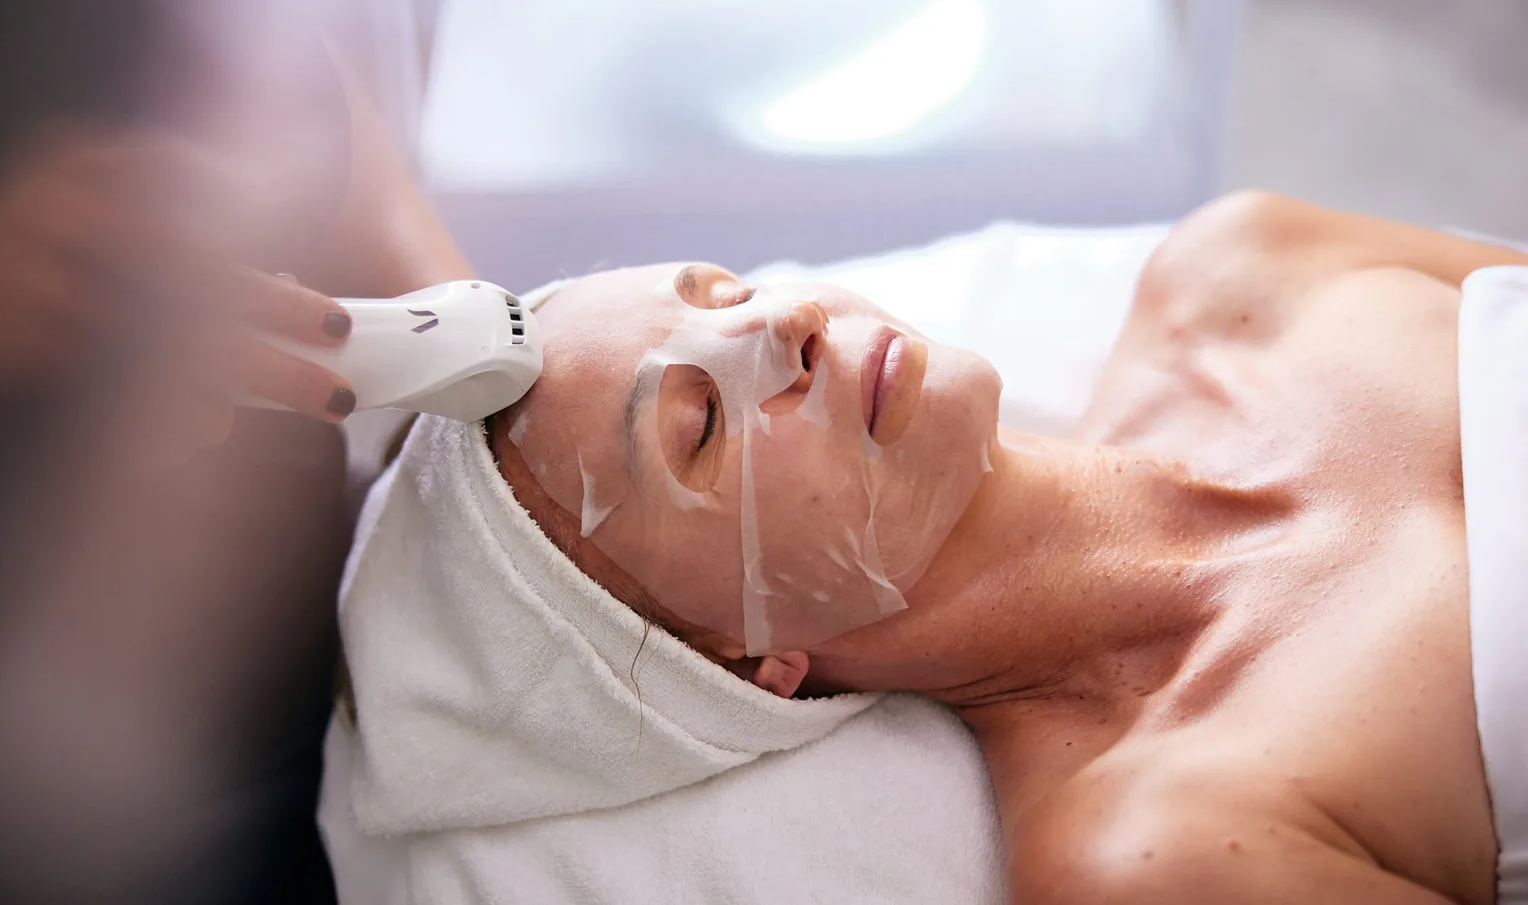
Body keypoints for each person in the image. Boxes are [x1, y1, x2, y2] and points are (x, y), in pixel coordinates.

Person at [470, 192, 1528, 904]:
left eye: (728, 293)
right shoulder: (1156, 847)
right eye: (699, 422)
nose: (781, 327)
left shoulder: (1238, 271)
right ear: (740, 662)